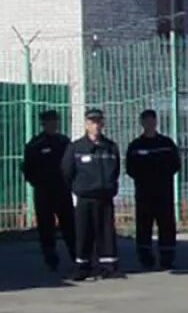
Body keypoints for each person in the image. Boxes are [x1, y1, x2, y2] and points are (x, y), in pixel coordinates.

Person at [61, 107, 121, 281]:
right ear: (87, 125)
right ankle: (82, 267)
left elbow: (115, 169)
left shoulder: (110, 147)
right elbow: (66, 172)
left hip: (105, 196)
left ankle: (108, 266)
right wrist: (78, 188)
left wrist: (109, 186)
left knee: (106, 233)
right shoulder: (76, 148)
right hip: (85, 198)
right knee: (83, 233)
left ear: (103, 123)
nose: (96, 126)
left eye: (98, 122)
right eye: (92, 122)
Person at [125, 109, 181, 270]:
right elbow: (130, 168)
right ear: (142, 123)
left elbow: (175, 164)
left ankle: (167, 258)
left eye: (152, 121)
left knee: (166, 225)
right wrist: (144, 178)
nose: (150, 124)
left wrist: (161, 176)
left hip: (164, 192)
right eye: (146, 121)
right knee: (144, 226)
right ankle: (145, 258)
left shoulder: (166, 144)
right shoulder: (135, 146)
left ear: (156, 122)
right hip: (144, 193)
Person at [21, 108, 74, 272]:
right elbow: (27, 168)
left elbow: (72, 165)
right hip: (44, 191)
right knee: (46, 225)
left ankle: (76, 254)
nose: (53, 125)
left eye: (55, 122)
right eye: (50, 122)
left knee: (69, 224)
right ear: (44, 124)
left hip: (62, 190)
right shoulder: (35, 144)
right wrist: (38, 183)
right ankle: (50, 257)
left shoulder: (64, 142)